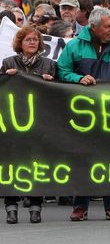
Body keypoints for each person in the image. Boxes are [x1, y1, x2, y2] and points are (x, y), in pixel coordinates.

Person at [57, 7, 110, 222]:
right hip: (82, 113)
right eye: (108, 27)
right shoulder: (74, 46)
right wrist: (78, 79)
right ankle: (80, 206)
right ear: (93, 27)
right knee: (81, 158)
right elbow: (61, 71)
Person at [0, 26, 55, 224]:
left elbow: (58, 93)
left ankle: (35, 206)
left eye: (35, 40)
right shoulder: (8, 62)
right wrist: (6, 76)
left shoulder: (48, 64)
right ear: (20, 43)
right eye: (28, 40)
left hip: (39, 121)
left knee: (36, 164)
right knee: (13, 164)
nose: (32, 42)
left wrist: (51, 81)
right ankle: (11, 207)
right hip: (14, 120)